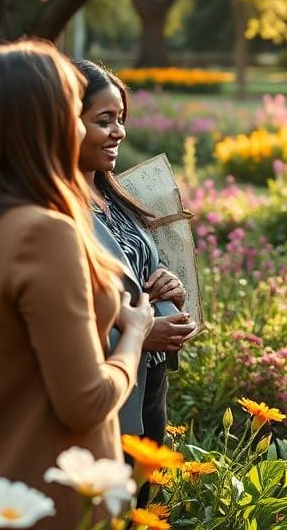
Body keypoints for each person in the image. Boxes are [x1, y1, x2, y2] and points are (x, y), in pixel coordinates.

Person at [0, 39, 154, 527]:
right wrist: (134, 333)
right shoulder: (43, 233)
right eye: (71, 109)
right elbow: (85, 402)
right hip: (45, 494)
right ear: (41, 125)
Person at [73, 60, 194, 504]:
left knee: (141, 504)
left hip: (149, 380)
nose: (119, 131)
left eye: (121, 119)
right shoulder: (56, 214)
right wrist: (140, 335)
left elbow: (131, 274)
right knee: (109, 507)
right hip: (105, 388)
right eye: (104, 120)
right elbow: (64, 315)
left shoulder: (111, 195)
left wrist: (167, 287)